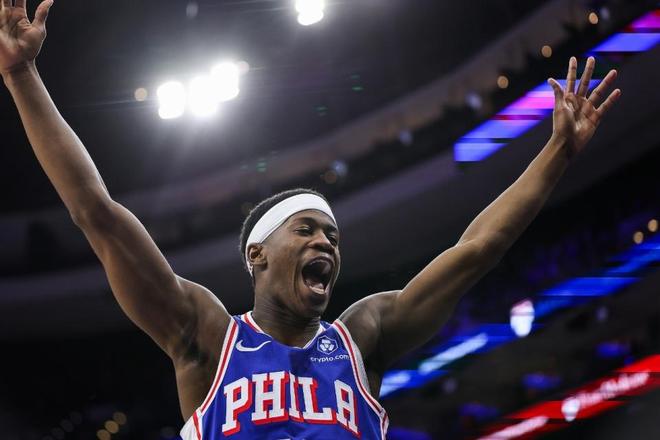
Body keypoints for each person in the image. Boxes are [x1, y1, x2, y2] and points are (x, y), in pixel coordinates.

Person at [0, 1, 622, 438]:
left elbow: (476, 249)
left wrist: (556, 153)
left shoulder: (363, 334)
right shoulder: (207, 336)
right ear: (257, 254)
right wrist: (23, 75)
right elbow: (97, 214)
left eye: (332, 236)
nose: (326, 241)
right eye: (306, 230)